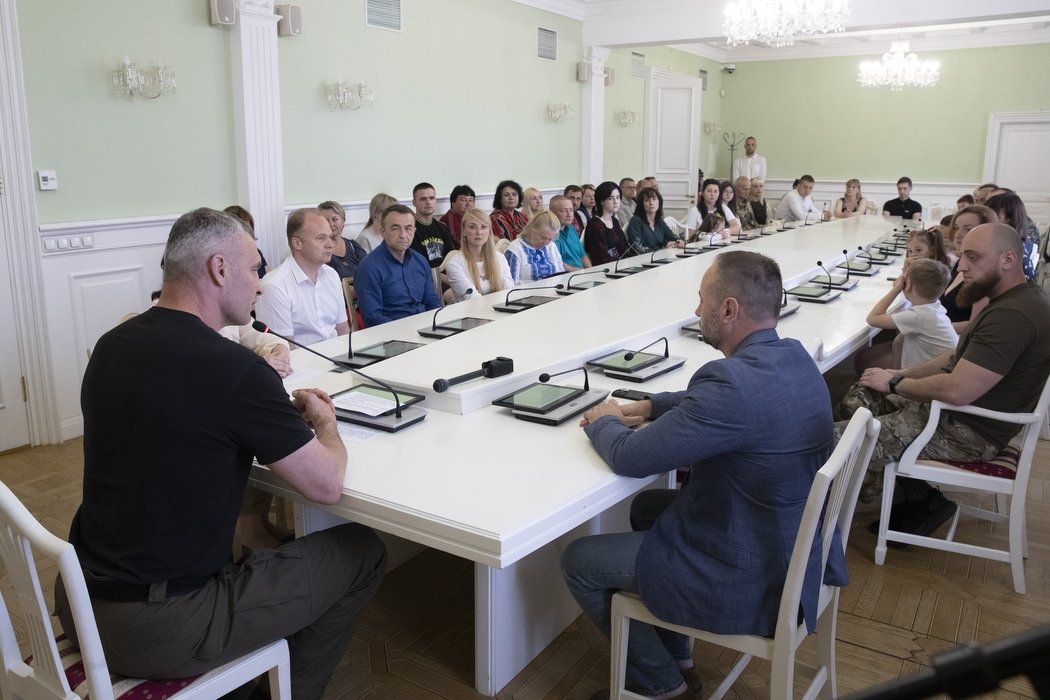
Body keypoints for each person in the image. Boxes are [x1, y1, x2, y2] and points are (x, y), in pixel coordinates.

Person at [58, 207, 386, 700]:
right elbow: (326, 484)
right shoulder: (236, 370)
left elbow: (180, 425)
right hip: (159, 623)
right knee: (363, 551)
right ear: (218, 269)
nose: (259, 285)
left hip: (79, 597)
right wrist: (327, 426)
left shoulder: (110, 346)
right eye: (253, 269)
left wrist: (264, 421)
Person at [561, 250, 838, 700]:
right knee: (647, 506)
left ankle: (663, 686)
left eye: (702, 300)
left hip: (750, 571)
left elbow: (631, 457)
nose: (695, 311)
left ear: (728, 309)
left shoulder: (731, 385)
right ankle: (680, 659)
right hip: (792, 545)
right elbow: (721, 405)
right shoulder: (793, 356)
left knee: (579, 561)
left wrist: (605, 419)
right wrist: (651, 405)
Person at [837, 223, 1050, 533]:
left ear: (1008, 259)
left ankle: (829, 512)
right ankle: (905, 495)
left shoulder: (1012, 315)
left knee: (837, 440)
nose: (961, 267)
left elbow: (957, 390)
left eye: (973, 257)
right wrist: (900, 373)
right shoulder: (1012, 300)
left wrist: (895, 384)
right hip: (954, 414)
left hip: (967, 431)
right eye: (962, 256)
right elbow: (954, 357)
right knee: (862, 394)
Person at [256, 208, 349, 345]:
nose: (330, 245)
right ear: (297, 243)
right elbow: (284, 349)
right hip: (301, 358)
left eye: (330, 237)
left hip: (338, 354)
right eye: (321, 238)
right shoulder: (274, 286)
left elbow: (343, 329)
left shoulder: (332, 275)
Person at [354, 204, 442, 326]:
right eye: (395, 228)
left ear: (414, 231)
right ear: (382, 232)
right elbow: (373, 318)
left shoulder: (420, 261)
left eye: (408, 228)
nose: (403, 235)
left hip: (425, 327)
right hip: (390, 333)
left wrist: (437, 324)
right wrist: (406, 331)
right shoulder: (368, 268)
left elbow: (432, 301)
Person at [864, 258, 957, 370]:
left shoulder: (918, 316)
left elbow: (872, 319)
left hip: (934, 374)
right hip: (946, 368)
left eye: (904, 279)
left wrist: (896, 289)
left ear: (908, 285)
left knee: (864, 360)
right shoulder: (935, 306)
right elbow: (898, 343)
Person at [445, 208, 513, 301]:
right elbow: (472, 299)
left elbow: (509, 292)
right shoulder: (455, 264)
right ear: (464, 231)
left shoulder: (500, 258)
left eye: (483, 227)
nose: (479, 232)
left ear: (489, 231)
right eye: (472, 227)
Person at [984, 191, 1038, 282]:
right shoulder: (1021, 241)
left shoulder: (1013, 249)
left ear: (1010, 218)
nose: (986, 221)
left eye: (993, 216)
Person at [506, 210, 566, 282]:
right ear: (532, 230)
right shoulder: (515, 249)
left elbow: (561, 275)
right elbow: (510, 283)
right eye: (543, 237)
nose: (545, 242)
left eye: (550, 239)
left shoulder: (552, 246)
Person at [584, 181, 630, 266]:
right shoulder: (595, 225)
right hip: (605, 268)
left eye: (618, 197)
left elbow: (625, 247)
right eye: (611, 198)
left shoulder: (614, 221)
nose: (616, 202)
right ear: (601, 201)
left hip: (619, 265)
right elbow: (600, 258)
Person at [318, 200, 368, 280]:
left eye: (334, 219)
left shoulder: (353, 246)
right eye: (326, 220)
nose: (331, 224)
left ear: (343, 221)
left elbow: (368, 270)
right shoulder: (318, 250)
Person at [410, 182, 455, 268]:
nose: (428, 202)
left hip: (445, 272)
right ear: (414, 202)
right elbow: (415, 264)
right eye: (423, 199)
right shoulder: (409, 229)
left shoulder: (442, 227)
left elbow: (451, 257)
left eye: (432, 198)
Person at [626, 187, 681, 253]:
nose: (651, 203)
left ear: (659, 201)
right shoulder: (636, 221)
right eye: (647, 200)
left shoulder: (659, 220)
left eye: (654, 199)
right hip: (642, 258)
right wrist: (663, 250)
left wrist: (679, 241)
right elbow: (637, 248)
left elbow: (671, 237)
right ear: (641, 204)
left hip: (660, 256)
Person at [223, 205, 269, 278]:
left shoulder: (256, 252)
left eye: (248, 229)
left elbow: (268, 276)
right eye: (242, 229)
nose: (247, 234)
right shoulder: (224, 260)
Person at [550, 194, 591, 270]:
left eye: (571, 210)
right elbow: (558, 264)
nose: (569, 215)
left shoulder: (571, 228)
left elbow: (583, 256)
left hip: (582, 272)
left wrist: (591, 271)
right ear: (552, 213)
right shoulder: (550, 234)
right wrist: (582, 272)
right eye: (563, 211)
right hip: (566, 275)